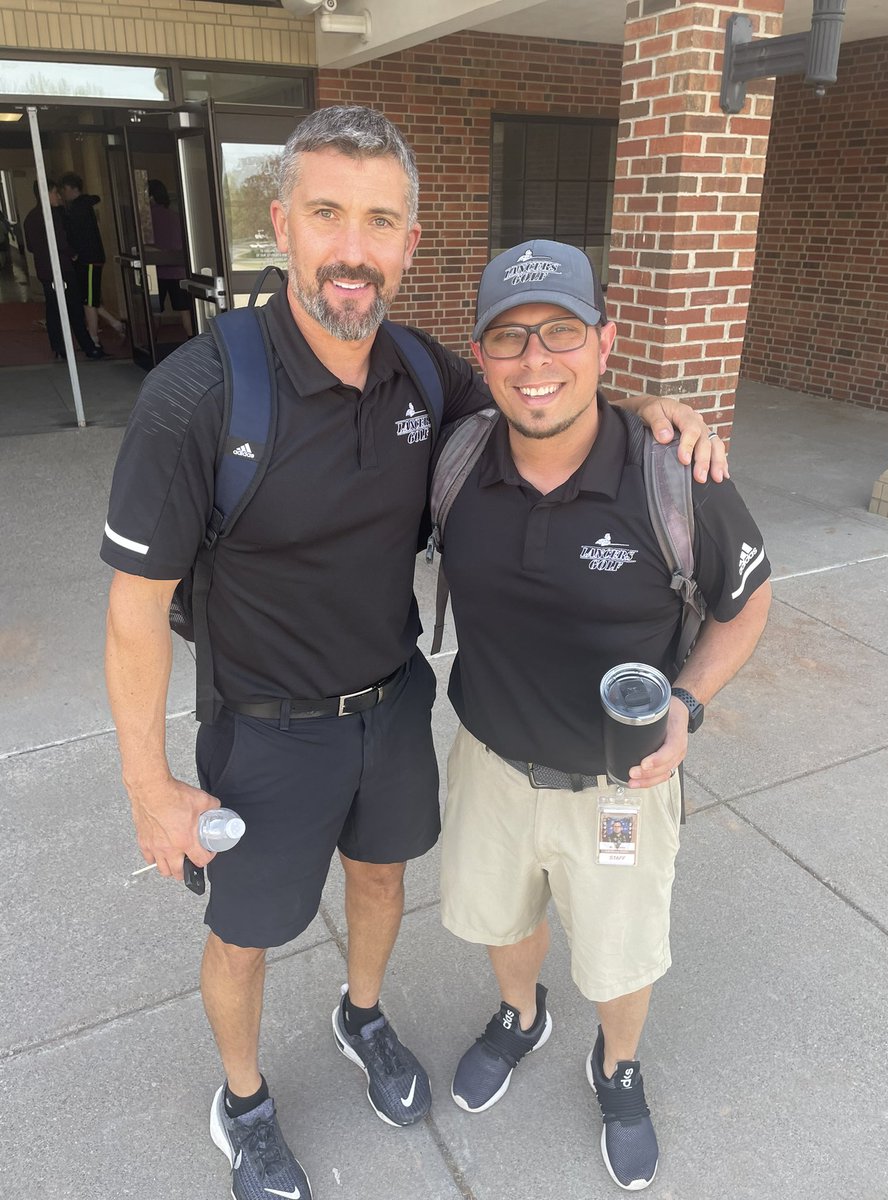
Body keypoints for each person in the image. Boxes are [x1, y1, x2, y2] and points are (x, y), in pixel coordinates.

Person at [101, 108, 725, 1200]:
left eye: (380, 220)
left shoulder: (428, 377)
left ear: (409, 243)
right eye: (329, 214)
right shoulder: (200, 397)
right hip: (261, 729)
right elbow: (133, 612)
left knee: (382, 880)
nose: (353, 247)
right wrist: (150, 784)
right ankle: (242, 1102)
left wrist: (655, 413)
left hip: (390, 704)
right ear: (283, 223)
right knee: (245, 933)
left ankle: (363, 1013)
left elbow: (553, 399)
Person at [437, 240, 772, 1191]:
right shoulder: (458, 457)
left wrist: (688, 702)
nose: (535, 360)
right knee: (503, 918)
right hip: (491, 765)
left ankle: (617, 1068)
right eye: (509, 338)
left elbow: (748, 602)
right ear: (482, 356)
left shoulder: (674, 473)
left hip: (621, 787)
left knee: (622, 953)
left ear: (605, 340)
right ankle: (521, 1017)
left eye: (561, 332)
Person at [22, 180, 104, 360]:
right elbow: (61, 242)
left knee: (53, 310)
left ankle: (59, 347)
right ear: (47, 193)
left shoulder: (30, 218)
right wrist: (73, 255)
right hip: (61, 269)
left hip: (44, 271)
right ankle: (89, 346)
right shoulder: (51, 216)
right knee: (74, 308)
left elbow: (29, 246)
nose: (58, 196)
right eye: (55, 193)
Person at [58, 171, 126, 350]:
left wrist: (74, 253)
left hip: (88, 259)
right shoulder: (84, 205)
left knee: (88, 300)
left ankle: (94, 338)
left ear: (72, 189)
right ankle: (115, 324)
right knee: (89, 298)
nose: (63, 194)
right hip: (92, 258)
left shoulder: (77, 209)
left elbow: (73, 235)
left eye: (64, 189)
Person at [147, 178, 192, 339]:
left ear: (150, 196)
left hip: (155, 272)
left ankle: (152, 343)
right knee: (184, 309)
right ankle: (192, 340)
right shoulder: (175, 216)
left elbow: (144, 245)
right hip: (178, 270)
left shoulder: (147, 218)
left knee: (155, 309)